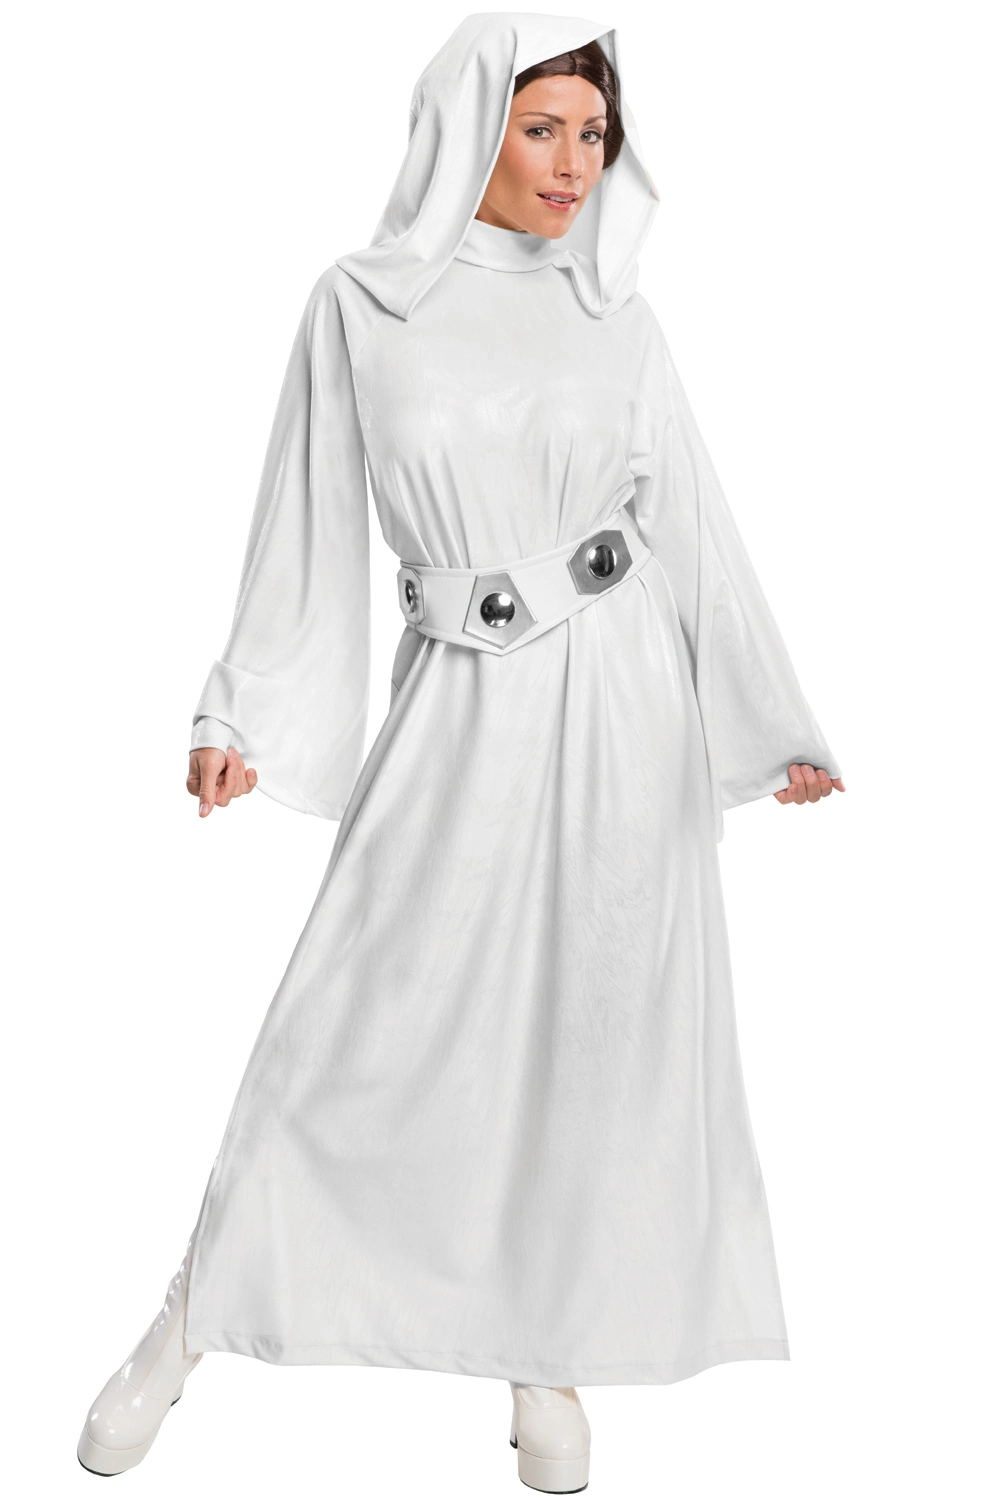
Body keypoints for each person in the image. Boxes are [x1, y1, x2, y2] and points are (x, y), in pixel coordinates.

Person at [76, 13, 845, 1493]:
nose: (574, 165)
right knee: (348, 1018)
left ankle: (542, 1349)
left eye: (594, 137)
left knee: (590, 1035)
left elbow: (691, 524)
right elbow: (302, 518)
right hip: (459, 702)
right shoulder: (364, 305)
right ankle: (191, 1318)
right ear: (466, 127)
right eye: (541, 128)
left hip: (621, 708)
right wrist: (240, 708)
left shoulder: (619, 316)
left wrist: (769, 721)